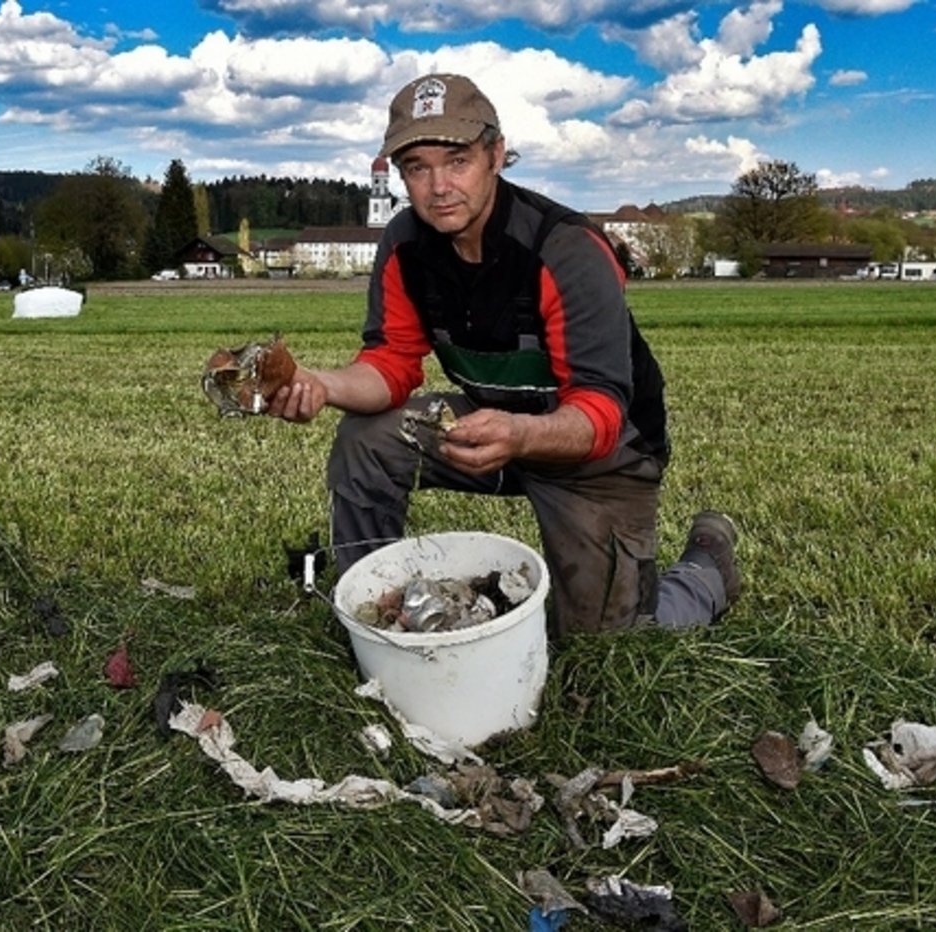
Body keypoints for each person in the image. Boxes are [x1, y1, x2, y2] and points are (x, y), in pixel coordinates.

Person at [267, 72, 740, 637]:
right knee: (366, 439)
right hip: (494, 427)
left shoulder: (563, 248)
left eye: (457, 160)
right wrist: (320, 385)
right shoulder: (405, 244)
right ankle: (376, 615)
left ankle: (706, 570)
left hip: (602, 456)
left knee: (607, 648)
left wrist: (518, 435)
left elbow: (601, 413)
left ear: (496, 155)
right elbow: (392, 364)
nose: (439, 186)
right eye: (417, 167)